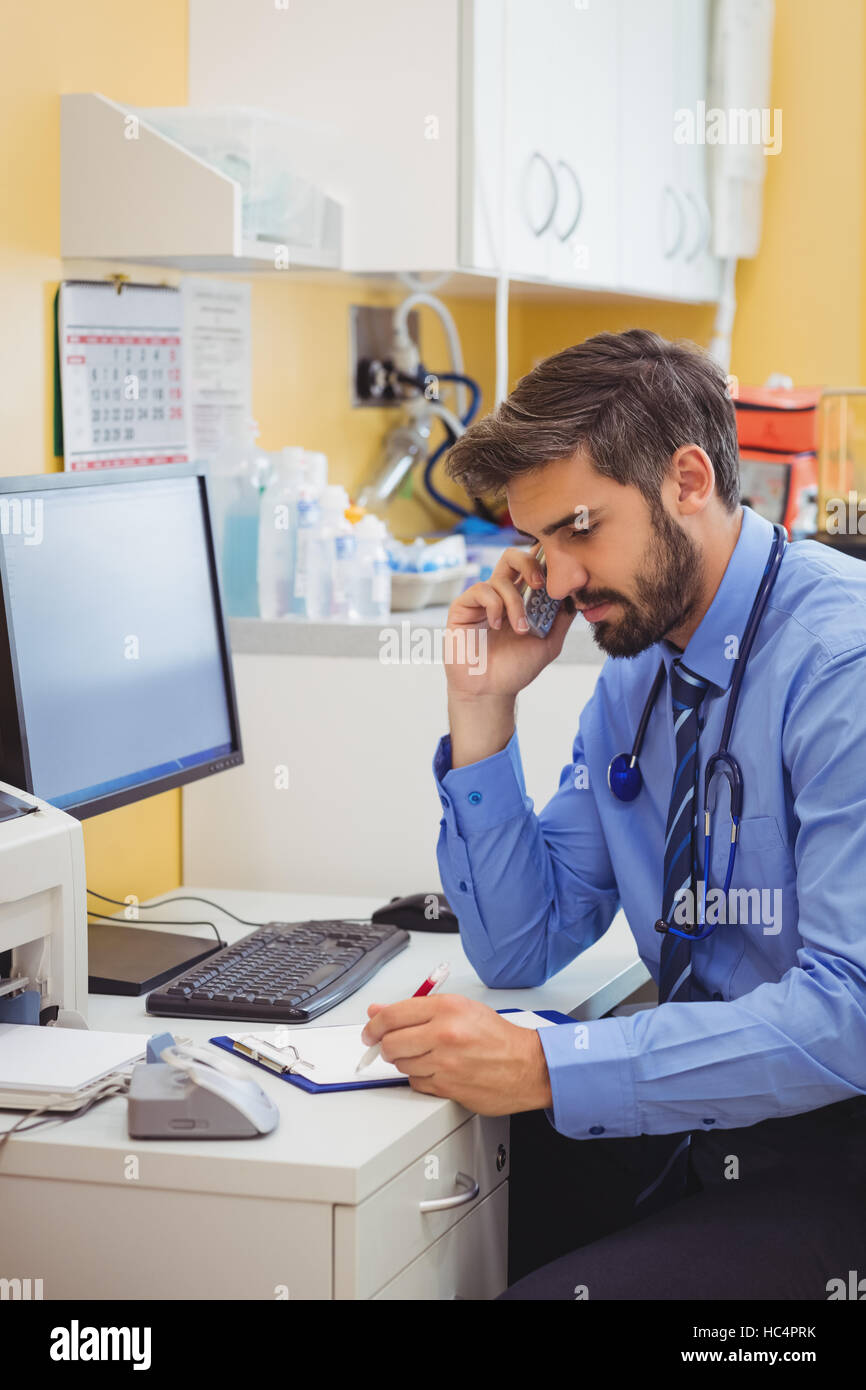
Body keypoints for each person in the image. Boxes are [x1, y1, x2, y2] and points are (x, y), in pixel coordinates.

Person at [359, 329, 866, 1299]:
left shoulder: (838, 668)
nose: (552, 583)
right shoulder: (638, 675)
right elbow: (521, 943)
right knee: (428, 1241)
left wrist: (546, 1064)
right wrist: (482, 709)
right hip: (704, 1129)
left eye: (578, 531)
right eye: (535, 544)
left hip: (832, 1152)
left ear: (685, 480)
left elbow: (848, 1017)